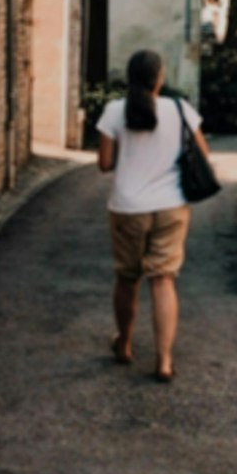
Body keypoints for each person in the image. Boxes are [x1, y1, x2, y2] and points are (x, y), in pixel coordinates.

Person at [96, 49, 211, 383]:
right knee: (163, 280)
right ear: (159, 78)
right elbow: (203, 153)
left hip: (128, 207)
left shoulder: (114, 111)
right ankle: (163, 361)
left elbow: (104, 164)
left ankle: (125, 345)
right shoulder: (180, 109)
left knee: (127, 278)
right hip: (171, 205)